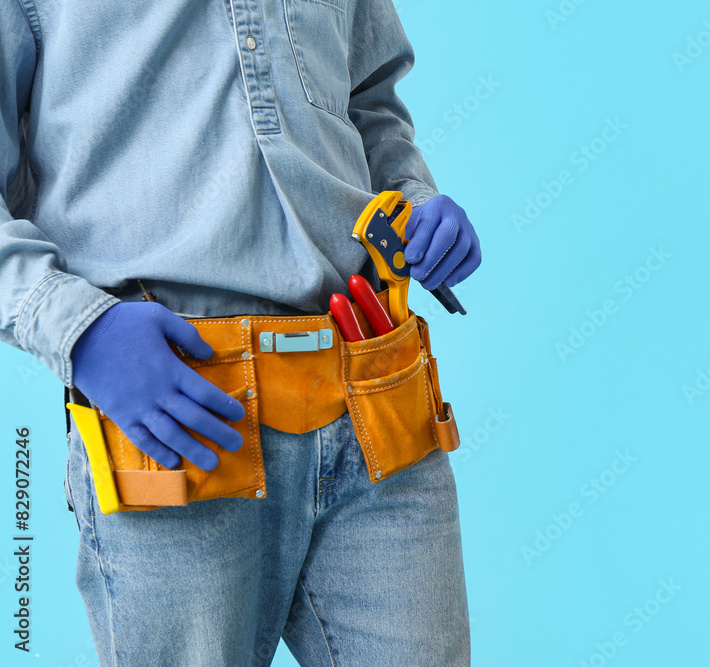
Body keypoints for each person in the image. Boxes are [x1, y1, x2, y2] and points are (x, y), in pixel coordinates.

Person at [1, 0, 480, 664]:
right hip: (179, 413)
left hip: (374, 391)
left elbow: (368, 101)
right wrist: (78, 328)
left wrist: (415, 198)